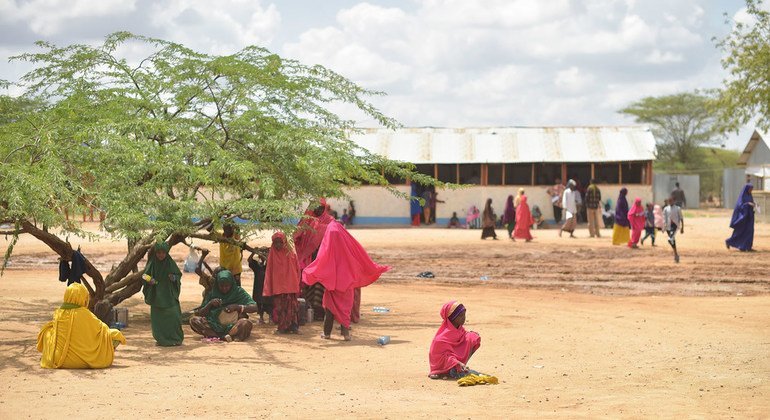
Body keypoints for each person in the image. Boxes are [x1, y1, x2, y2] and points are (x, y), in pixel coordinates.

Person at [302, 221, 390, 341]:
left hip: (332, 287)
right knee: (344, 311)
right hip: (346, 286)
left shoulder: (327, 249)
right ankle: (345, 334)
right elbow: (360, 259)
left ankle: (327, 333)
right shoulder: (348, 248)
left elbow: (319, 264)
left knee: (329, 311)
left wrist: (309, 273)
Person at [37, 283, 126, 369]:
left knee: (47, 331)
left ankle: (49, 356)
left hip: (58, 360)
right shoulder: (86, 314)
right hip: (86, 360)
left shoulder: (59, 313)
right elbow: (102, 330)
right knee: (115, 334)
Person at [190, 270, 258, 341]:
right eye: (221, 286)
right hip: (214, 325)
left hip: (233, 325)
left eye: (227, 286)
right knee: (194, 321)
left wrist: (237, 307)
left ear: (231, 283)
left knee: (246, 323)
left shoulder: (238, 292)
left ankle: (228, 334)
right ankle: (224, 336)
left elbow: (255, 307)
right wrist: (210, 304)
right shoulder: (212, 293)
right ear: (217, 284)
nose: (224, 288)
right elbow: (200, 313)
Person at [143, 241, 184, 346]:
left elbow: (178, 275)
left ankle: (176, 338)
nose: (161, 255)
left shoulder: (170, 263)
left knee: (174, 316)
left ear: (166, 253)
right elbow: (144, 275)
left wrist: (174, 278)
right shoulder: (152, 263)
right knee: (159, 320)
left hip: (169, 295)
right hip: (157, 296)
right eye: (158, 253)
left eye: (163, 253)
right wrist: (149, 280)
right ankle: (161, 339)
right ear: (155, 253)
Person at [428, 301, 481, 379]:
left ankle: (460, 367)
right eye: (460, 316)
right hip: (442, 365)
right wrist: (456, 362)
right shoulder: (441, 339)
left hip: (457, 362)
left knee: (473, 337)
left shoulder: (460, 330)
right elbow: (444, 357)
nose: (464, 318)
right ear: (452, 318)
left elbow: (465, 338)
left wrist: (460, 363)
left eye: (464, 315)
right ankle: (446, 371)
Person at [263, 232, 301, 334]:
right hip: (278, 287)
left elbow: (297, 268)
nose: (278, 245)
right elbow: (269, 272)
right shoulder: (272, 255)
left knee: (292, 307)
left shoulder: (291, 253)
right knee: (280, 308)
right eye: (275, 243)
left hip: (290, 285)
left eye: (280, 242)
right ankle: (282, 327)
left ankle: (294, 327)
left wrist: (297, 282)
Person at [726, 183, 755, 252]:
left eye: (752, 189)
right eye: (750, 189)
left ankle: (747, 247)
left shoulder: (750, 196)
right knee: (740, 232)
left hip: (749, 217)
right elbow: (740, 206)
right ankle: (729, 241)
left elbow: (751, 203)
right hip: (743, 218)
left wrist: (754, 204)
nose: (751, 190)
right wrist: (747, 204)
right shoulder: (742, 196)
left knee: (750, 231)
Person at [247, 250, 272, 324]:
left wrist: (268, 258)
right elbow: (249, 260)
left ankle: (271, 318)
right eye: (262, 253)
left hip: (267, 288)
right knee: (259, 303)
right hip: (258, 288)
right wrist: (253, 252)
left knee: (269, 303)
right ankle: (261, 318)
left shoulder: (269, 264)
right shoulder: (257, 265)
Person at [663, 196, 684, 263]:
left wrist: (682, 227)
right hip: (668, 226)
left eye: (671, 200)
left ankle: (676, 255)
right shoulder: (666, 209)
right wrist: (664, 227)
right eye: (669, 201)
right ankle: (676, 255)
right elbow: (664, 218)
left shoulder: (678, 208)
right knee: (672, 241)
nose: (670, 202)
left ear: (674, 201)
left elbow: (681, 218)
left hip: (675, 225)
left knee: (670, 238)